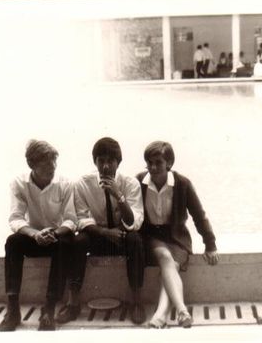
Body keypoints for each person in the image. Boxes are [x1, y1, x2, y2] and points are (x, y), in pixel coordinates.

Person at [57, 137, 146, 325]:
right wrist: (105, 233)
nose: (105, 166)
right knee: (78, 241)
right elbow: (81, 218)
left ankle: (137, 301)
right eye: (101, 161)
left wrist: (118, 196)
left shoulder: (130, 183)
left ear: (118, 162)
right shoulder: (83, 183)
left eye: (110, 161)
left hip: (122, 234)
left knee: (136, 240)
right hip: (98, 235)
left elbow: (134, 222)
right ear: (94, 162)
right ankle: (73, 303)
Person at [136, 141, 219, 329]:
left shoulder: (182, 184)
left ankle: (161, 314)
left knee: (171, 264)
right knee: (165, 257)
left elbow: (199, 215)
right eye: (149, 163)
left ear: (169, 163)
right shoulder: (139, 181)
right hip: (151, 235)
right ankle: (182, 310)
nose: (153, 167)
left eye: (158, 162)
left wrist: (210, 244)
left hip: (176, 236)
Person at [0, 140, 77, 331]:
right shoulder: (19, 183)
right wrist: (35, 235)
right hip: (33, 237)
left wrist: (53, 232)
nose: (52, 167)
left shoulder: (65, 183)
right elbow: (15, 218)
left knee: (65, 243)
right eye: (45, 163)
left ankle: (49, 308)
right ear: (31, 165)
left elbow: (71, 220)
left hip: (56, 237)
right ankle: (13, 308)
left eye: (53, 162)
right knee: (12, 242)